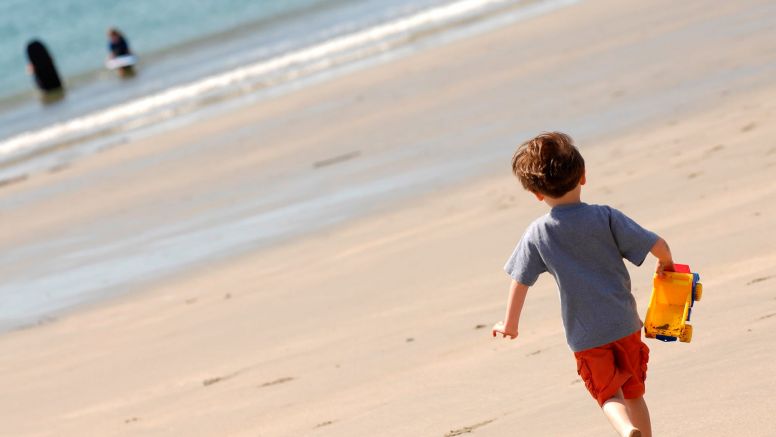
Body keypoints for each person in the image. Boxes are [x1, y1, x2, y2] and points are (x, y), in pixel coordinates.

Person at [492, 132, 674, 437]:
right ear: (583, 176)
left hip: (586, 335)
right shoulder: (605, 216)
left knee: (608, 395)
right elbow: (658, 243)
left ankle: (626, 428)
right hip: (625, 323)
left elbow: (520, 281)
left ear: (537, 194)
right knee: (633, 391)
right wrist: (666, 263)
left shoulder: (538, 233)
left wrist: (510, 324)